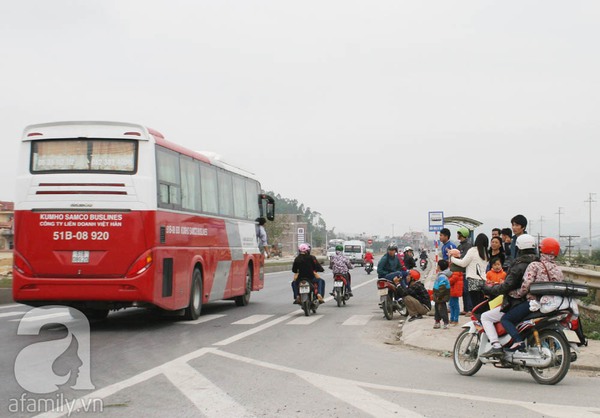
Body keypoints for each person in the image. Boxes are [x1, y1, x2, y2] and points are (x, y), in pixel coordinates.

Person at [479, 234, 538, 357]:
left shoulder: (518, 265)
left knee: (486, 317)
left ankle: (496, 345)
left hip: (517, 302)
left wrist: (489, 289)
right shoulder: (538, 263)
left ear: (518, 249)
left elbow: (507, 286)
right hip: (535, 301)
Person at [500, 237, 563, 351]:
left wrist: (514, 294)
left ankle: (518, 341)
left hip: (534, 303)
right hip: (552, 304)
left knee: (506, 319)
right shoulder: (558, 269)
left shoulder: (535, 265)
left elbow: (525, 286)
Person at [449, 233, 489, 309]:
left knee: (475, 305)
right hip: (483, 280)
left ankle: (477, 319)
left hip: (473, 280)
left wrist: (452, 259)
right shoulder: (486, 253)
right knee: (481, 304)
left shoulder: (473, 250)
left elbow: (463, 263)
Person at [453, 227, 473, 315]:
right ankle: (465, 309)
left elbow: (463, 258)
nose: (457, 235)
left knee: (467, 291)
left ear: (462, 234)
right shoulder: (460, 245)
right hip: (461, 271)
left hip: (467, 271)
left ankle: (470, 309)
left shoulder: (468, 245)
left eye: (458, 233)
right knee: (463, 290)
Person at [433, 260, 451, 329]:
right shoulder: (441, 275)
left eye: (437, 265)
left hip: (440, 296)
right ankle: (437, 322)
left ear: (439, 267)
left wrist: (439, 296)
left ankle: (446, 322)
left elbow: (442, 287)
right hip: (438, 295)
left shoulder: (442, 276)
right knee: (437, 309)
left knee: (442, 310)